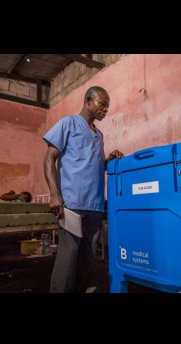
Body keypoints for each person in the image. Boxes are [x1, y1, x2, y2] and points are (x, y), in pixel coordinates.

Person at [43, 86, 124, 293]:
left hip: (95, 205)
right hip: (71, 203)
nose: (106, 109)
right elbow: (49, 158)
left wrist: (108, 161)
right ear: (88, 101)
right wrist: (54, 194)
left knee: (87, 258)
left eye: (108, 106)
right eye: (102, 104)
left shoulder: (99, 135)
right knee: (68, 258)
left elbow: (93, 165)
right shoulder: (68, 124)